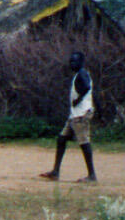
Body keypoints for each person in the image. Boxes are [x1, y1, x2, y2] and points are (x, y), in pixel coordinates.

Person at [40, 50, 96, 183]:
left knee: (84, 143)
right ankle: (55, 171)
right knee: (61, 139)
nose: (72, 63)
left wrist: (78, 99)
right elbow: (91, 91)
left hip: (80, 115)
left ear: (81, 62)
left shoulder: (82, 74)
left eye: (75, 61)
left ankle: (92, 175)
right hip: (75, 115)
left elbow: (87, 88)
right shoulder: (81, 74)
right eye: (71, 61)